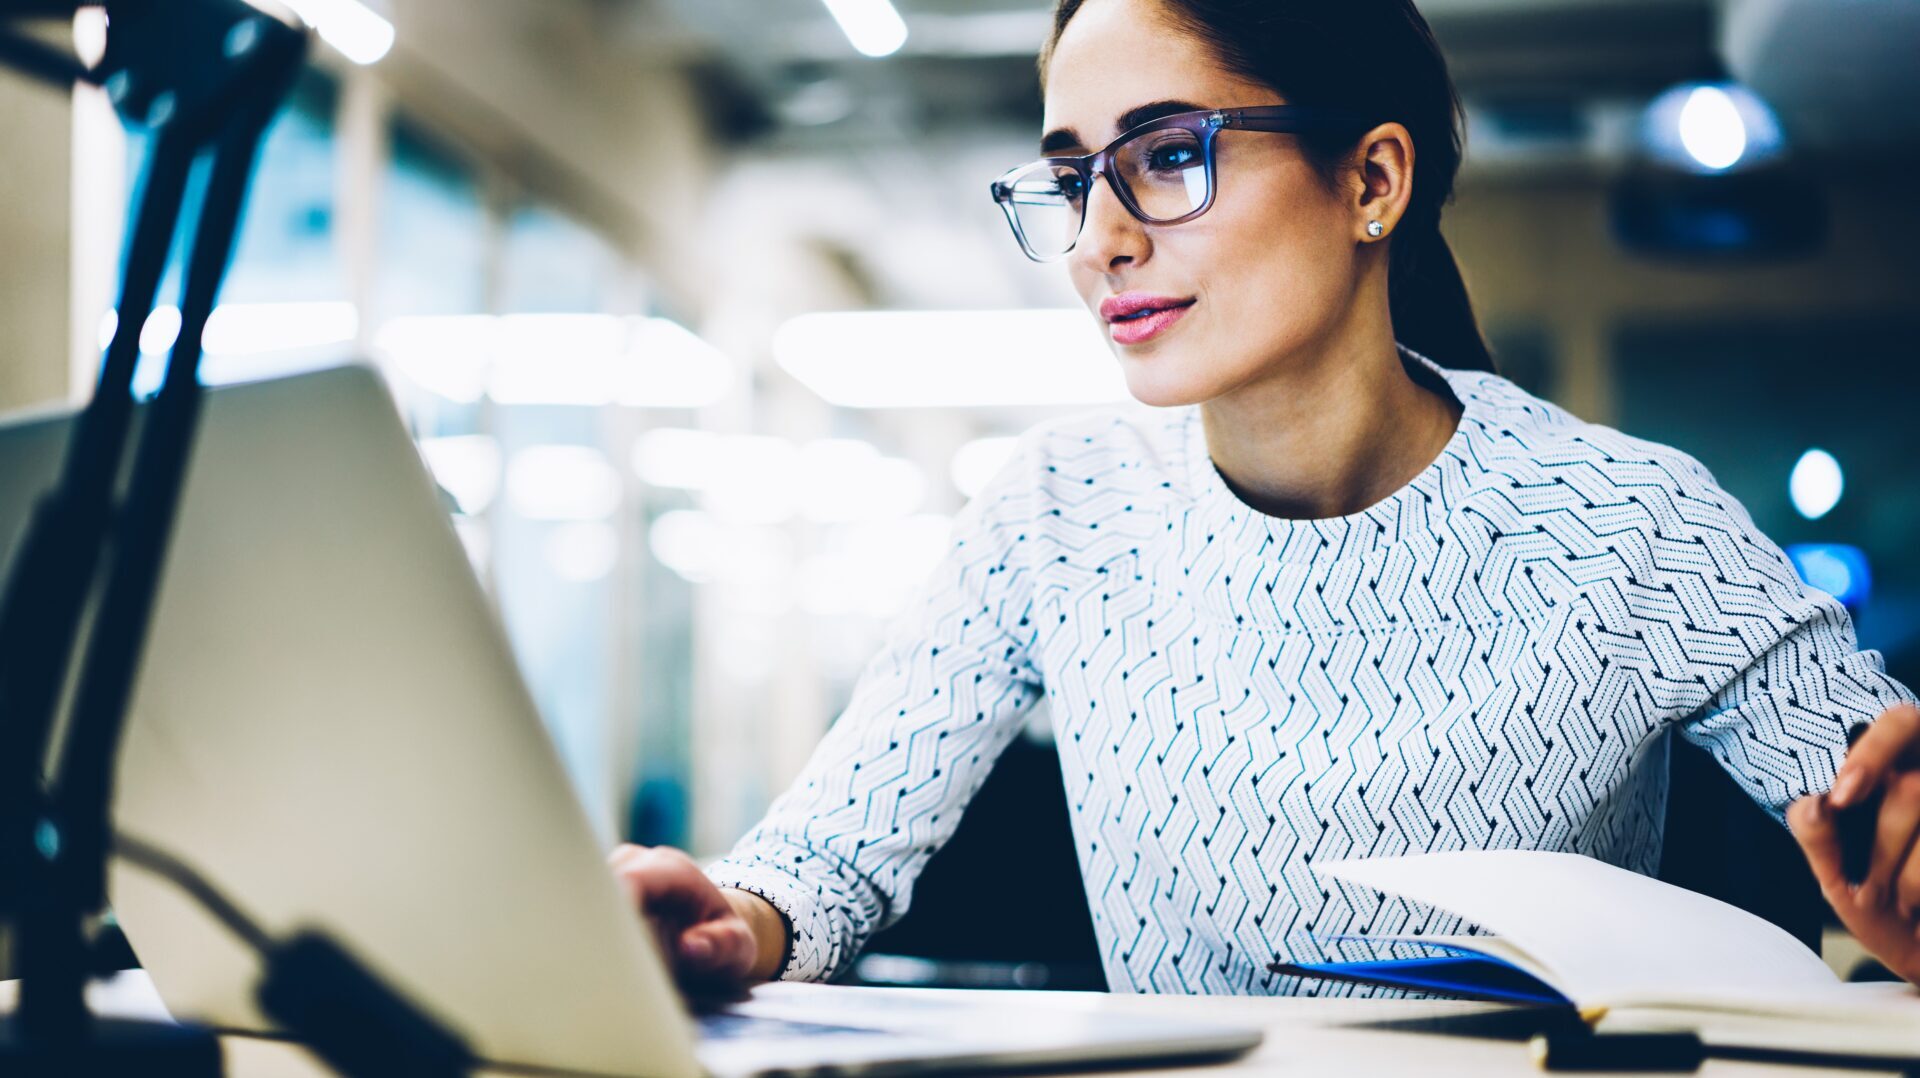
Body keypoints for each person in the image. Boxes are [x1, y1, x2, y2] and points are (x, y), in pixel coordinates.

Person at [609, 0, 1920, 994]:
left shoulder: (1632, 525)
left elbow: (1889, 811)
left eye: (1167, 156)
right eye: (1073, 175)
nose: (1099, 236)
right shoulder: (1057, 512)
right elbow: (827, 858)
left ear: (1372, 182)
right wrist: (736, 919)